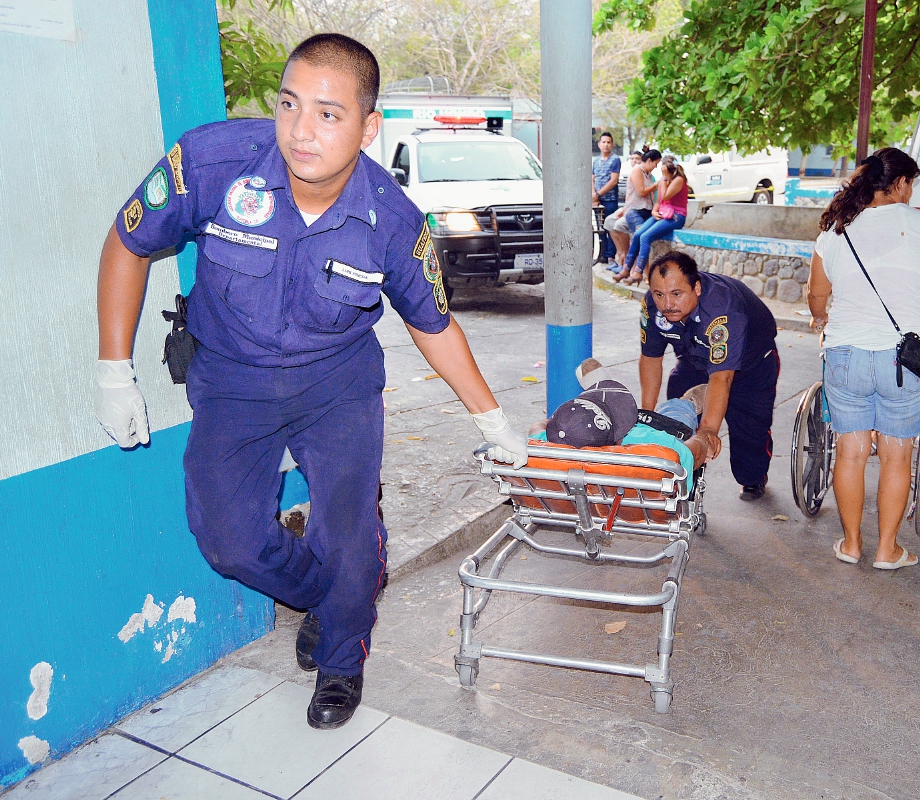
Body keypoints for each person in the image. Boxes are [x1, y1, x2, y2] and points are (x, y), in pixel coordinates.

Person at [92, 34, 527, 730]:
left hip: (337, 384)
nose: (301, 129)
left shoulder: (392, 221)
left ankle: (342, 659)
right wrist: (114, 369)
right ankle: (334, 597)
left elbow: (434, 324)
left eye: (328, 113)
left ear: (368, 126)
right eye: (290, 104)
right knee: (227, 541)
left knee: (349, 532)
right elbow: (130, 240)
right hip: (232, 379)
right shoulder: (210, 163)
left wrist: (492, 420)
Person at [806, 147, 920, 571]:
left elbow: (817, 296)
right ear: (901, 183)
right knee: (897, 453)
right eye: (911, 184)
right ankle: (888, 549)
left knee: (849, 452)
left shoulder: (835, 230)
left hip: (846, 351)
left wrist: (822, 319)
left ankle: (851, 544)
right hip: (904, 360)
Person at [640, 250, 780, 500]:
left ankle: (752, 479)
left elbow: (721, 378)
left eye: (676, 294)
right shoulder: (652, 306)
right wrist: (647, 415)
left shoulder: (723, 309)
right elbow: (651, 358)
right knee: (678, 414)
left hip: (752, 364)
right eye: (659, 294)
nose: (667, 304)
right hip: (696, 360)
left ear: (697, 288)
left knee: (749, 433)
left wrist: (708, 432)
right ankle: (684, 482)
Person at [529, 359, 721, 484]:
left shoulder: (541, 445)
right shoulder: (658, 449)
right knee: (674, 414)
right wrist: (704, 438)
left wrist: (571, 420)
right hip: (656, 433)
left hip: (591, 498)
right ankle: (686, 403)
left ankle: (603, 394)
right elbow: (692, 454)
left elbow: (537, 428)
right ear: (617, 440)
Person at [622, 155, 688, 286]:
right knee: (638, 234)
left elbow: (666, 195)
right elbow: (659, 201)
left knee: (646, 237)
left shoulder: (678, 180)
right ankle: (626, 268)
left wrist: (663, 179)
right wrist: (654, 211)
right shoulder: (664, 181)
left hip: (676, 216)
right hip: (663, 213)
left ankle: (638, 272)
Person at [607, 149, 661, 275]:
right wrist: (655, 185)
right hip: (635, 210)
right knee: (640, 235)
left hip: (646, 211)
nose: (656, 167)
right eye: (655, 163)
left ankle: (635, 269)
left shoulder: (648, 174)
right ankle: (637, 269)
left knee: (642, 237)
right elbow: (641, 191)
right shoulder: (637, 170)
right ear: (649, 161)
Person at [592, 132, 622, 268]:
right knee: (600, 227)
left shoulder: (615, 160)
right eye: (603, 142)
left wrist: (598, 194)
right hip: (597, 200)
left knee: (610, 227)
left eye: (608, 142)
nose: (606, 145)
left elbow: (613, 180)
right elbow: (592, 179)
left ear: (612, 144)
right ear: (599, 144)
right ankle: (602, 255)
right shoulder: (596, 161)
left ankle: (611, 255)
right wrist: (594, 195)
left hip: (610, 199)